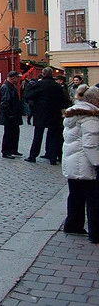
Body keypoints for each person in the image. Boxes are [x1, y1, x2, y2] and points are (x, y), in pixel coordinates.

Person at [61, 84, 99, 243]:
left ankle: (73, 224)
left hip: (72, 160)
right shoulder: (90, 117)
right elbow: (90, 144)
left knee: (75, 194)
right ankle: (96, 233)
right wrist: (97, 163)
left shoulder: (72, 114)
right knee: (93, 199)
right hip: (85, 163)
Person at [25, 67, 70, 164]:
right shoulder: (57, 86)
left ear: (43, 74)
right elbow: (63, 101)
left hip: (40, 113)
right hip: (54, 113)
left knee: (38, 136)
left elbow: (28, 95)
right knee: (53, 136)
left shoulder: (39, 84)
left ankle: (33, 156)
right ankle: (52, 158)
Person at [0, 71, 23, 159]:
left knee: (15, 132)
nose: (18, 79)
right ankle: (6, 151)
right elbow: (5, 102)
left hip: (13, 115)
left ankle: (13, 149)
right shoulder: (6, 87)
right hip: (9, 116)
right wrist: (9, 114)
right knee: (8, 133)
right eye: (17, 77)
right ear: (13, 78)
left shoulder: (10, 86)